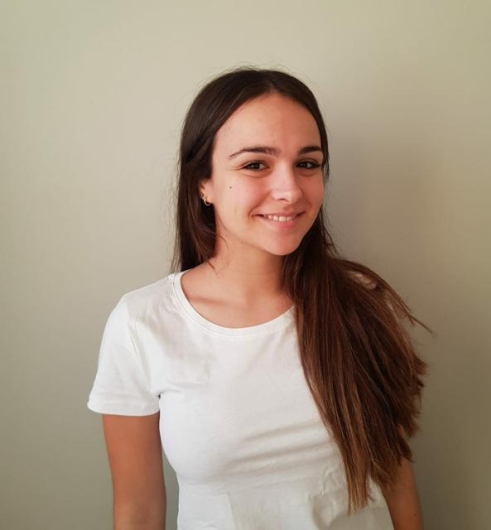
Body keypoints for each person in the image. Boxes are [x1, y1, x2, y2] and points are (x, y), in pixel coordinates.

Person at [88, 67, 427, 530]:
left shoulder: (361, 303)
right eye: (255, 164)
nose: (290, 191)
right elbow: (138, 510)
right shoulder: (141, 324)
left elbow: (396, 479)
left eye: (307, 164)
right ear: (203, 183)